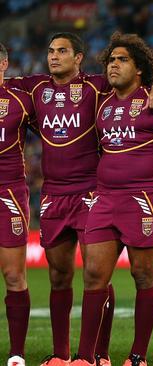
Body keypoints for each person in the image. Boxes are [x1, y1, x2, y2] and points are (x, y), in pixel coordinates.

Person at [4, 32, 153, 366]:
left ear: (78, 57)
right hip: (53, 193)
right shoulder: (33, 88)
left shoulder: (99, 86)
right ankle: (62, 355)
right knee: (58, 275)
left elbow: (142, 80)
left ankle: (100, 354)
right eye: (50, 51)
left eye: (62, 51)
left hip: (93, 191)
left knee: (97, 273)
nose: (54, 56)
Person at [69, 32, 153, 366]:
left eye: (122, 60)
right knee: (93, 276)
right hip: (104, 198)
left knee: (143, 276)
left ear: (139, 68)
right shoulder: (102, 102)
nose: (113, 65)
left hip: (143, 198)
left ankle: (138, 356)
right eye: (111, 60)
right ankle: (87, 358)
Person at [0, 41, 36, 366]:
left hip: (8, 193)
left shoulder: (19, 99)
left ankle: (16, 354)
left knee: (14, 275)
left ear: (4, 64)